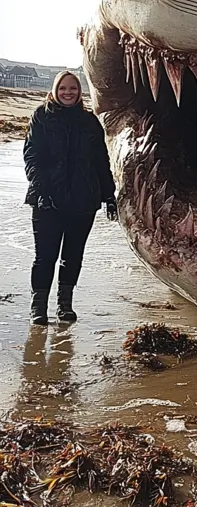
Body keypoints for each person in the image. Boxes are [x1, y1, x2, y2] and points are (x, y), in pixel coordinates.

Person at [23, 70, 118, 325]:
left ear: (79, 92)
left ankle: (65, 305)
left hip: (83, 201)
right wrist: (41, 191)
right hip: (47, 201)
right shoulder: (41, 117)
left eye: (73, 89)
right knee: (45, 256)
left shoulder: (90, 122)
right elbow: (32, 157)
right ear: (55, 90)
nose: (68, 93)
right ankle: (38, 307)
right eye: (63, 88)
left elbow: (101, 162)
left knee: (73, 255)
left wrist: (109, 196)